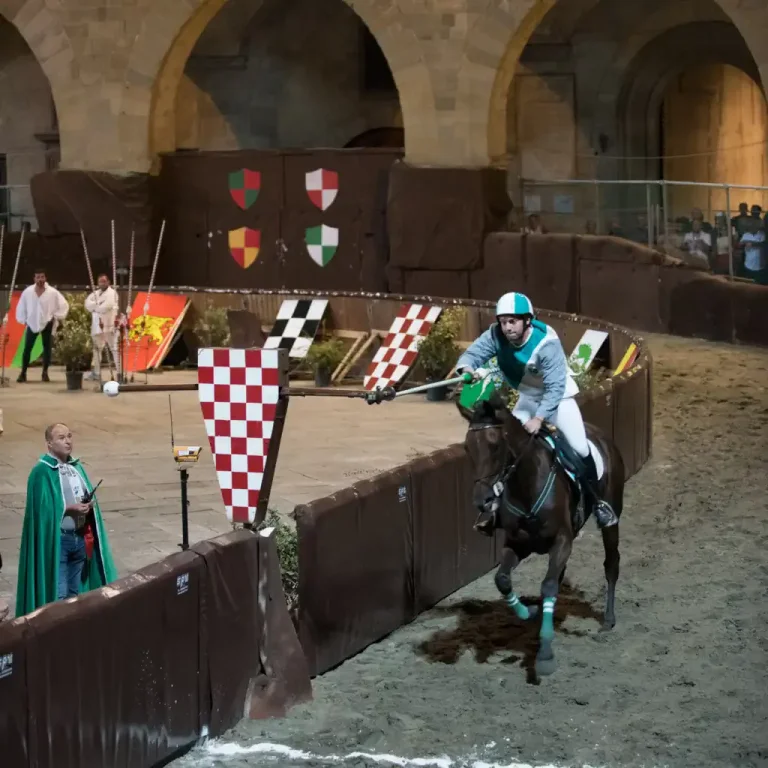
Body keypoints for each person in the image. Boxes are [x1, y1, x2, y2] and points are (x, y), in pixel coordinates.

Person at [454, 291, 618, 531]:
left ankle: (598, 503)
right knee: (507, 444)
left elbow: (555, 388)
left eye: (513, 321)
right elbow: (473, 354)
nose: (507, 327)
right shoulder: (495, 335)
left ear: (527, 320)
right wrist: (466, 368)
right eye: (503, 322)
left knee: (581, 448)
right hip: (528, 398)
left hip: (558, 399)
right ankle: (497, 511)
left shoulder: (546, 343)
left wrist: (539, 418)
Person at [15, 423, 118, 616]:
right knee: (59, 597)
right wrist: (68, 509)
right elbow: (42, 511)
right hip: (58, 541)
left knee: (75, 596)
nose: (68, 441)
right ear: (49, 443)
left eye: (69, 436)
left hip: (80, 538)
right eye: (61, 438)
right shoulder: (41, 472)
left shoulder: (76, 467)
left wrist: (87, 506)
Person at [15, 269, 69, 383]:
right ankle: (23, 373)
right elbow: (22, 306)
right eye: (38, 277)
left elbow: (64, 305)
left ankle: (45, 373)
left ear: (45, 278)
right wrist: (24, 319)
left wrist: (56, 316)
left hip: (47, 322)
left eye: (42, 277)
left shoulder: (52, 292)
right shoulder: (28, 292)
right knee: (27, 348)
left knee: (47, 348)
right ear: (34, 279)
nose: (40, 279)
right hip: (32, 322)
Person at [84, 273, 119, 381]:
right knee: (96, 349)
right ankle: (96, 372)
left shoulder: (112, 293)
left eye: (104, 281)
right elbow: (87, 304)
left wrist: (95, 306)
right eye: (100, 281)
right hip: (97, 325)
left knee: (114, 348)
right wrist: (98, 304)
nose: (102, 283)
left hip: (109, 325)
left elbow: (106, 306)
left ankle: (119, 372)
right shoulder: (95, 293)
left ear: (108, 282)